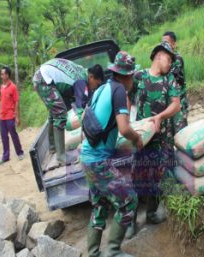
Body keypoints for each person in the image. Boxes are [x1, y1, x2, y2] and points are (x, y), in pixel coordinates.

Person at [81, 51, 143, 257]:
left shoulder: (101, 89)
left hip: (88, 157)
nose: (133, 79)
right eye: (133, 75)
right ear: (127, 76)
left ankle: (93, 253)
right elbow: (124, 128)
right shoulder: (119, 91)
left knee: (99, 205)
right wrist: (137, 139)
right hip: (98, 161)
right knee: (129, 201)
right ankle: (113, 251)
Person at [127, 41, 181, 238]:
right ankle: (131, 221)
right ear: (159, 55)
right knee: (137, 179)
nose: (170, 63)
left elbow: (176, 105)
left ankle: (150, 214)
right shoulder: (139, 77)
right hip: (142, 139)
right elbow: (127, 95)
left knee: (157, 179)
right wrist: (128, 121)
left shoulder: (169, 81)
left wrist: (160, 117)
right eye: (169, 59)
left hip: (162, 140)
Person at [33, 59, 104, 165]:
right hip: (43, 79)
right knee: (60, 114)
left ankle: (53, 147)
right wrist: (94, 135)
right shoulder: (81, 82)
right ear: (91, 77)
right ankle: (61, 157)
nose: (96, 87)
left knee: (55, 112)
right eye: (97, 84)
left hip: (42, 74)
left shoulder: (82, 71)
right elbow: (81, 112)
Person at [0, 67, 24, 165]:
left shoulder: (13, 87)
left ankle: (20, 153)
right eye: (1, 74)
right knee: (4, 136)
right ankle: (6, 156)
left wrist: (17, 116)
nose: (1, 76)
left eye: (3, 74)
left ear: (7, 75)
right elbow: (1, 101)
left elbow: (17, 102)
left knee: (13, 135)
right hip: (3, 117)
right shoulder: (2, 87)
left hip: (10, 116)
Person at [162, 31, 188, 133]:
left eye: (166, 42)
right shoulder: (165, 59)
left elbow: (167, 75)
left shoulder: (177, 59)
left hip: (179, 102)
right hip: (170, 102)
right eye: (162, 42)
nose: (164, 45)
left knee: (181, 132)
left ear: (174, 44)